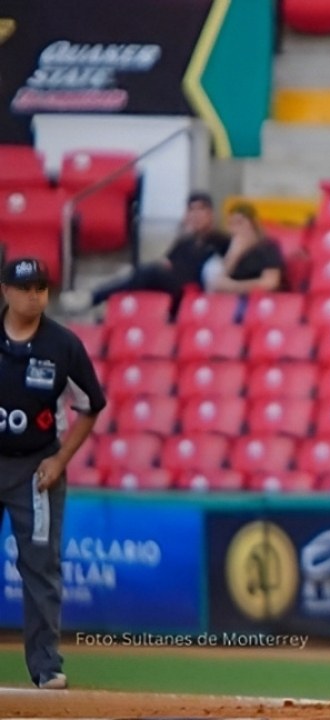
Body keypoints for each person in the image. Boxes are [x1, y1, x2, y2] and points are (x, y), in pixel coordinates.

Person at [0, 258, 106, 689]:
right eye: (25, 288)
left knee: (41, 567)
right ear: (5, 291)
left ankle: (46, 667)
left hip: (36, 468)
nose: (34, 295)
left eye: (42, 288)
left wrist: (60, 461)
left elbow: (90, 405)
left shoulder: (63, 345)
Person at [60, 192, 231, 318]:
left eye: (201, 210)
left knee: (148, 272)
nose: (195, 215)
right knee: (140, 274)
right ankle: (108, 312)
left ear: (211, 214)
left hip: (193, 292)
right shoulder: (184, 241)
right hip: (170, 286)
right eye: (191, 210)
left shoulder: (221, 240)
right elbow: (166, 262)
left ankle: (93, 298)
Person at [200, 202, 285, 295]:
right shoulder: (229, 247)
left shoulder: (267, 247)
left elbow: (270, 283)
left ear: (253, 224)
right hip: (232, 301)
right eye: (231, 224)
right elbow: (218, 281)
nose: (235, 228)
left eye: (240, 222)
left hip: (258, 300)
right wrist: (234, 253)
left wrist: (234, 286)